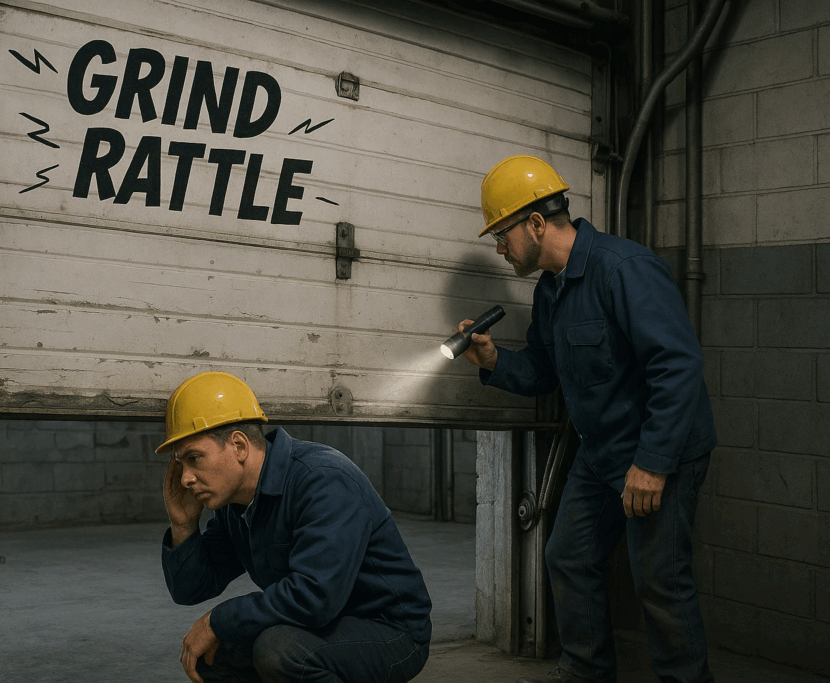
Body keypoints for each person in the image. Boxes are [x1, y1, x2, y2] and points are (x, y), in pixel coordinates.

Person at [458, 155, 718, 683]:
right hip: (602, 457)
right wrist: (492, 361)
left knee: (660, 583)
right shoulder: (550, 291)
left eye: (502, 233)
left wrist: (653, 462)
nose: (500, 247)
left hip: (657, 452)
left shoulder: (624, 270)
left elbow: (678, 365)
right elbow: (542, 371)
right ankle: (586, 673)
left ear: (536, 223)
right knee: (569, 557)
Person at [157, 371, 432, 683]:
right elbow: (192, 589)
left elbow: (315, 597)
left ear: (239, 446)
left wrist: (218, 620)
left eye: (194, 458)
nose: (185, 478)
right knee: (211, 653)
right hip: (323, 624)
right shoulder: (235, 506)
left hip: (389, 630)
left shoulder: (323, 479)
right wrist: (183, 526)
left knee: (280, 651)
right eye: (181, 464)